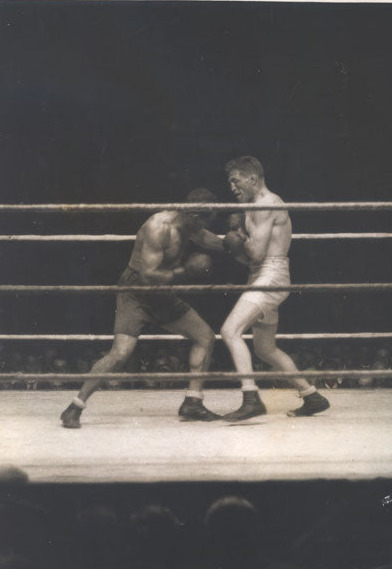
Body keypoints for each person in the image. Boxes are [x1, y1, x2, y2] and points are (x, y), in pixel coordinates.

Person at [60, 188, 224, 428]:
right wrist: (186, 271)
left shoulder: (190, 225)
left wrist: (233, 243)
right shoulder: (159, 227)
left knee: (205, 337)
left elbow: (209, 240)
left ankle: (193, 402)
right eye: (205, 221)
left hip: (162, 295)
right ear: (196, 215)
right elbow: (148, 275)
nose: (203, 229)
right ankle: (75, 406)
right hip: (136, 291)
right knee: (120, 354)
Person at [220, 156, 330, 420]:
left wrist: (238, 239)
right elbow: (250, 257)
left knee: (230, 330)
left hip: (270, 274)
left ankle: (251, 397)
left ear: (252, 178)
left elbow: (257, 253)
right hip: (262, 274)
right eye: (230, 183)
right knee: (265, 348)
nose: (232, 188)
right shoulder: (255, 205)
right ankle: (312, 395)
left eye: (235, 181)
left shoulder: (266, 204)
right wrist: (238, 243)